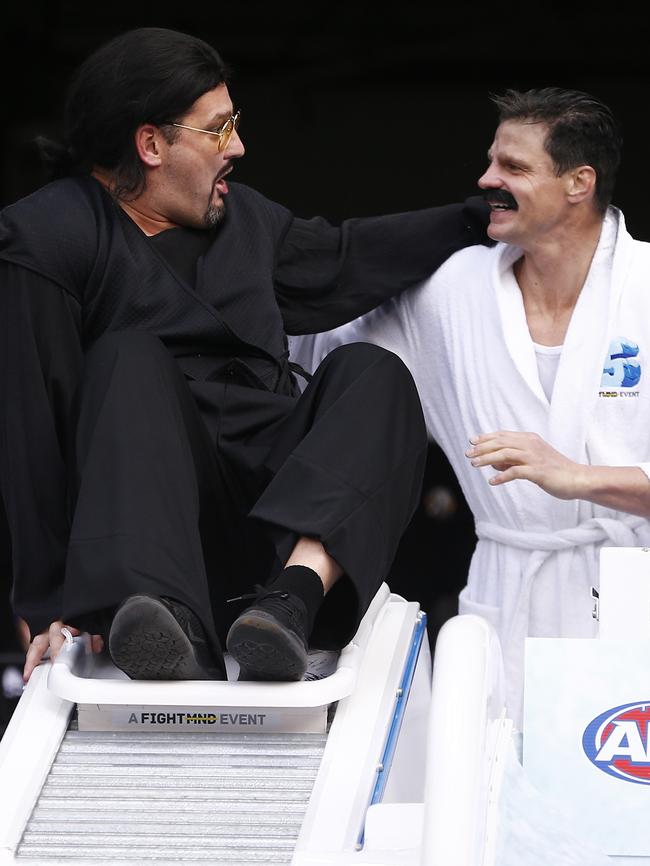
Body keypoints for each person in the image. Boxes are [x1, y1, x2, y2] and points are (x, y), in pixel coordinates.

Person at [0, 27, 489, 686]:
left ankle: (292, 602)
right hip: (150, 535)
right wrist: (44, 603)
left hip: (277, 521)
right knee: (127, 356)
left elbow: (348, 259)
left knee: (376, 374)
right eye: (218, 129)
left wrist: (478, 219)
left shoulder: (247, 219)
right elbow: (34, 424)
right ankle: (166, 623)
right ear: (150, 144)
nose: (239, 147)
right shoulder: (49, 235)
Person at [290, 87, 650, 725]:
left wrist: (580, 478)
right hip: (501, 590)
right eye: (490, 162)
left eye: (513, 167)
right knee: (487, 796)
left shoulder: (644, 291)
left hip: (630, 591)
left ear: (578, 183)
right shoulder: (452, 291)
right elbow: (329, 363)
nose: (487, 180)